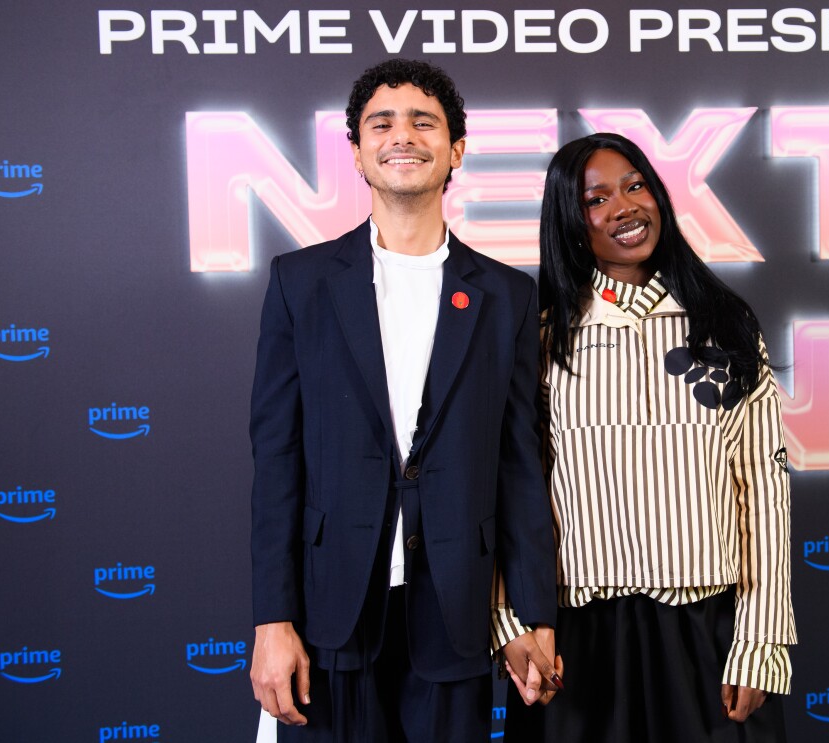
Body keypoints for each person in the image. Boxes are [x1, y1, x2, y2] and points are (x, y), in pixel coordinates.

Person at [248, 58, 560, 743]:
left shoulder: (505, 295)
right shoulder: (301, 283)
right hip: (332, 609)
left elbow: (519, 463)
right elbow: (276, 460)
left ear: (456, 150)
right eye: (381, 122)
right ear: (356, 150)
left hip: (454, 607)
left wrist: (534, 611)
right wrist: (272, 619)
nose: (403, 135)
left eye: (425, 121)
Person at [499, 133, 796, 742]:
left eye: (635, 186)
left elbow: (765, 486)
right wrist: (511, 623)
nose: (625, 207)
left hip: (704, 630)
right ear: (569, 221)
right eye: (596, 199)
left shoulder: (724, 326)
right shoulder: (538, 338)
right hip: (573, 639)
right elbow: (507, 489)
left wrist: (761, 637)